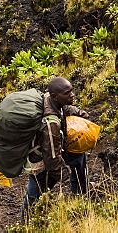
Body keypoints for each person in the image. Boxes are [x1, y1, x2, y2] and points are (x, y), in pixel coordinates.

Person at [21, 77, 91, 220]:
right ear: (55, 96)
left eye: (71, 91)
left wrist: (81, 115)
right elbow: (52, 158)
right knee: (34, 196)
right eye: (67, 93)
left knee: (79, 155)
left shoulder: (50, 99)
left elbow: (66, 108)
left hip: (50, 152)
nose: (72, 95)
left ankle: (79, 193)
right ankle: (24, 224)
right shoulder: (51, 123)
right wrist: (64, 175)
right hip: (41, 163)